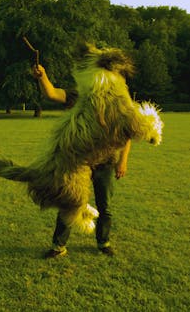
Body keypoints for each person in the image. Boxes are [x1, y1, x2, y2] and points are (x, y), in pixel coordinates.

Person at [32, 64, 132, 258]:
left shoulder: (119, 103)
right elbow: (52, 94)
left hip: (107, 163)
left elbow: (127, 134)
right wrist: (42, 76)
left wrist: (123, 161)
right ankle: (58, 245)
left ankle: (104, 242)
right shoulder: (81, 96)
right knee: (68, 203)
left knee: (105, 206)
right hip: (79, 163)